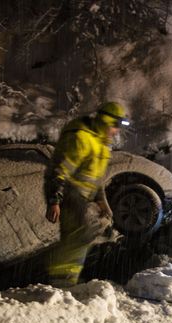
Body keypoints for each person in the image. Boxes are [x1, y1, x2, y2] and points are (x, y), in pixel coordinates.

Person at [44, 101, 130, 288]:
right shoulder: (81, 138)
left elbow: (96, 179)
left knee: (89, 233)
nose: (116, 132)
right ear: (106, 122)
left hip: (85, 195)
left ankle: (68, 278)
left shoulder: (101, 144)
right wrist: (54, 200)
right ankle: (61, 280)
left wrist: (102, 202)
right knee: (81, 232)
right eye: (115, 126)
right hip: (69, 192)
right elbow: (60, 171)